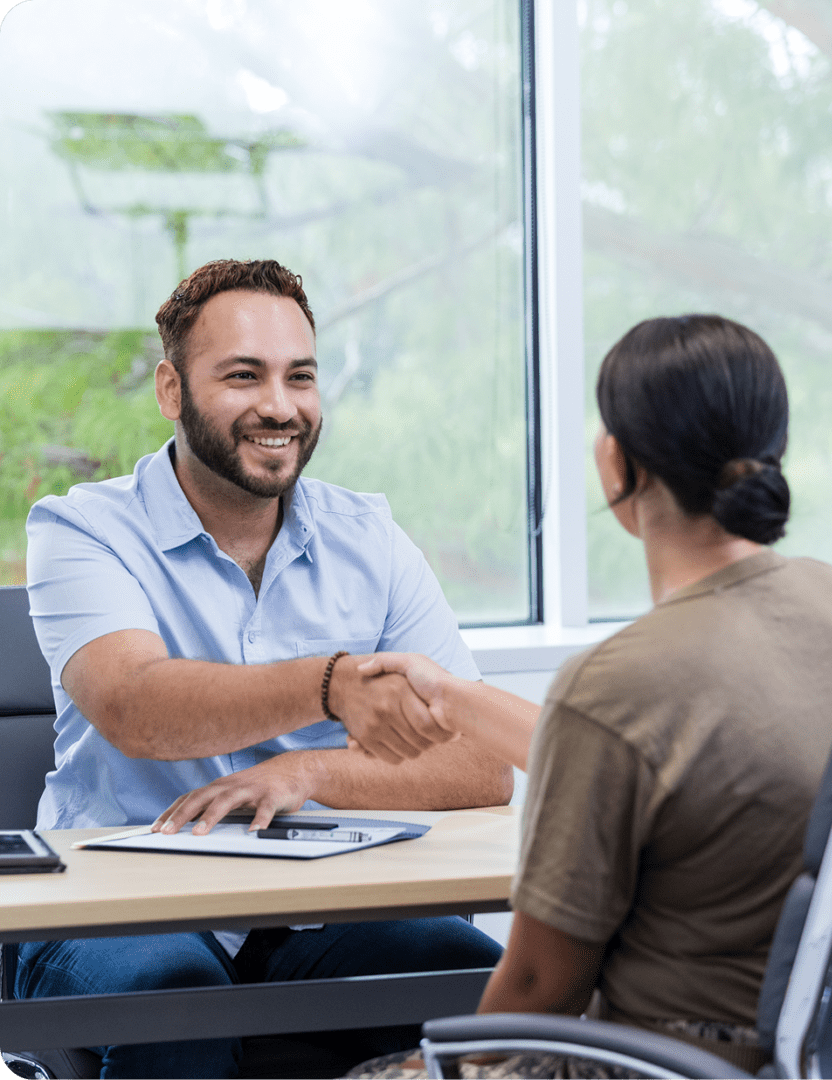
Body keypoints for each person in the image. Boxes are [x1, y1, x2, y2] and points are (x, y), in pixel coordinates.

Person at [342, 314, 832, 1079]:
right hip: (802, 1055)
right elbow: (667, 743)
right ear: (772, 447)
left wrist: (437, 1069)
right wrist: (451, 695)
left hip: (654, 1063)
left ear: (615, 463)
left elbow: (540, 985)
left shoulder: (617, 683)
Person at [15, 258, 509, 1080]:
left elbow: (483, 763)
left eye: (299, 377)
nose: (278, 406)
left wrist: (311, 769)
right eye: (243, 376)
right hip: (115, 916)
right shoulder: (82, 530)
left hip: (322, 915)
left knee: (486, 992)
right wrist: (329, 685)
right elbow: (138, 707)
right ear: (171, 391)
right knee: (179, 1002)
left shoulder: (371, 538)